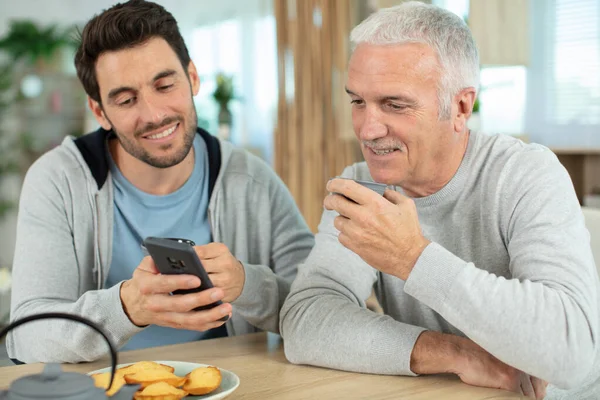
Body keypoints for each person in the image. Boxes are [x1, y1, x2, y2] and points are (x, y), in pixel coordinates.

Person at [280, 3, 600, 399]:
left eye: (394, 104)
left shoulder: (525, 173)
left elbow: (571, 351)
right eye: (358, 101)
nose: (367, 128)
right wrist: (453, 353)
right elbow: (305, 321)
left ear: (461, 107)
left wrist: (412, 258)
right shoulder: (361, 185)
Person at [7, 0, 314, 364]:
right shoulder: (57, 180)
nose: (153, 114)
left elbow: (322, 307)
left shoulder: (252, 180)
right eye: (125, 99)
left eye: (165, 85)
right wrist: (128, 307)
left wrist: (247, 285)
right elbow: (26, 336)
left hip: (228, 381)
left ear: (193, 78)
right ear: (99, 112)